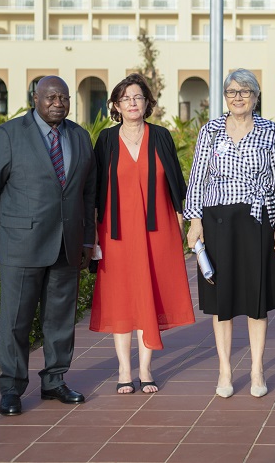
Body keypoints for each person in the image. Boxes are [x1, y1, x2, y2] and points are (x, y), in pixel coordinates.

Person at [0, 76, 96, 416]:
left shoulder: (79, 136)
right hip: (20, 243)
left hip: (66, 244)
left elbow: (88, 193)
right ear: (35, 99)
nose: (58, 102)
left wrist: (87, 238)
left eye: (64, 97)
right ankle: (11, 389)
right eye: (51, 96)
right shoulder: (9, 134)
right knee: (16, 320)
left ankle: (54, 381)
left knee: (59, 320)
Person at [89, 73, 195, 394]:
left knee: (151, 291)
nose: (132, 103)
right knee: (121, 297)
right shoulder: (106, 141)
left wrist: (185, 226)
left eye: (137, 97)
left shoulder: (161, 136)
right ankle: (124, 369)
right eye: (125, 99)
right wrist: (91, 234)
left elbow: (176, 184)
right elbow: (95, 191)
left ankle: (145, 368)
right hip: (116, 232)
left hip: (157, 230)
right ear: (116, 106)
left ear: (147, 103)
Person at [185, 69, 275, 399]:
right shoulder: (211, 130)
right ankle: (225, 370)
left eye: (244, 91)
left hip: (258, 221)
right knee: (222, 301)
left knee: (257, 300)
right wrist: (194, 222)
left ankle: (257, 370)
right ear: (224, 96)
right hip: (217, 223)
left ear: (256, 96)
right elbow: (197, 178)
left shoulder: (271, 131)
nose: (238, 97)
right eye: (231, 92)